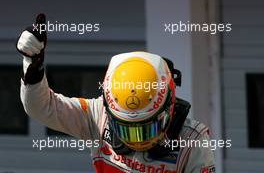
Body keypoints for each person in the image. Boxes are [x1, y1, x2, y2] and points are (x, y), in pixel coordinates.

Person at [16, 14, 215, 173]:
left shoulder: (192, 141)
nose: (137, 141)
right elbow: (41, 108)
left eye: (146, 129)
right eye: (126, 129)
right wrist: (32, 69)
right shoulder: (97, 115)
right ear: (110, 110)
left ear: (168, 105)